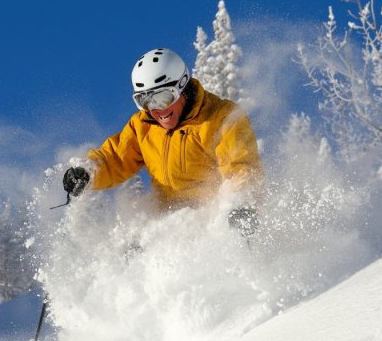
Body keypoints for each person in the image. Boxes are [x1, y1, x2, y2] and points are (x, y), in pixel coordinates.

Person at [62, 47, 264, 236]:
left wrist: (241, 203)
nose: (157, 110)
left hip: (211, 219)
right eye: (145, 101)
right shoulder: (143, 126)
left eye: (163, 98)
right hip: (166, 222)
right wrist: (88, 172)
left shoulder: (220, 118)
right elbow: (115, 157)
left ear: (182, 86)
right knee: (130, 249)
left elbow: (241, 166)